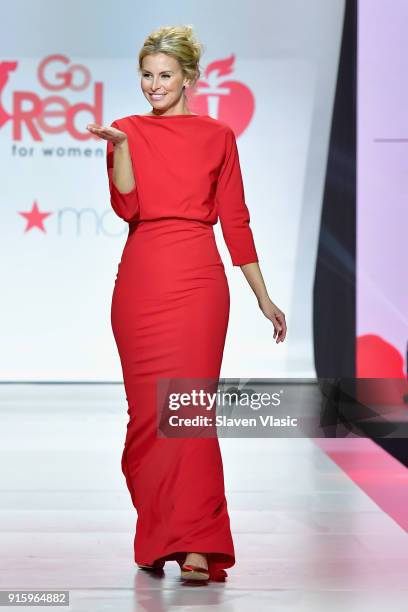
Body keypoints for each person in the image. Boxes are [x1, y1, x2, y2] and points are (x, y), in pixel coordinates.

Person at [86, 24, 287, 583]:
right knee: (148, 417)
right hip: (142, 280)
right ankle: (155, 533)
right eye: (147, 76)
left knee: (190, 411)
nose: (154, 85)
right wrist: (121, 147)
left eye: (164, 76)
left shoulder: (218, 135)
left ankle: (196, 543)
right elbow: (126, 207)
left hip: (199, 282)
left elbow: (236, 220)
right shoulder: (124, 131)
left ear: (189, 78)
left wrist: (263, 298)